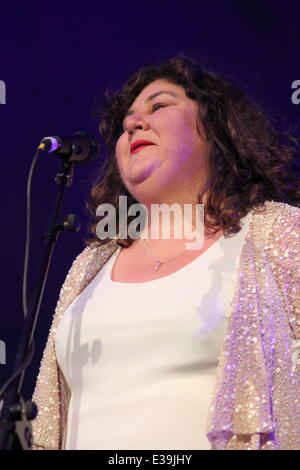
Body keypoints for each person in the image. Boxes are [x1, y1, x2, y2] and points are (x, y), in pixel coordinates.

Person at [31, 54, 300, 450]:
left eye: (159, 106)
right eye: (126, 122)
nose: (133, 123)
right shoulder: (90, 265)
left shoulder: (277, 234)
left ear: (215, 127)